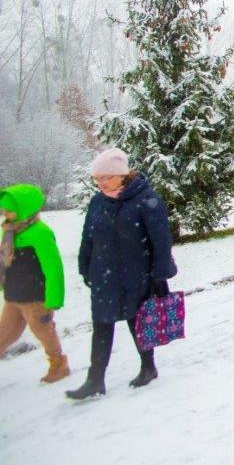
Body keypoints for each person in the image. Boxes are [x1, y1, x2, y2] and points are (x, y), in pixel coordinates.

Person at [67, 148, 177, 400]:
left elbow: (161, 241)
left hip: (136, 274)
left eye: (106, 177)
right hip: (104, 275)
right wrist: (85, 265)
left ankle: (148, 366)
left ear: (122, 175)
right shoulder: (97, 202)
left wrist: (159, 274)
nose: (101, 183)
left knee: (137, 322)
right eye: (97, 179)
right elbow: (88, 237)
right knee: (102, 324)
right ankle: (95, 380)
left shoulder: (146, 200)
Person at [0, 184, 69, 384]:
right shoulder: (9, 231)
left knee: (43, 332)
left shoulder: (40, 233)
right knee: (4, 332)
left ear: (25, 208)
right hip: (13, 295)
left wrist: (54, 298)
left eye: (10, 210)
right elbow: (4, 260)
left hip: (35, 297)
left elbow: (53, 267)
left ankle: (58, 364)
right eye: (4, 209)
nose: (5, 213)